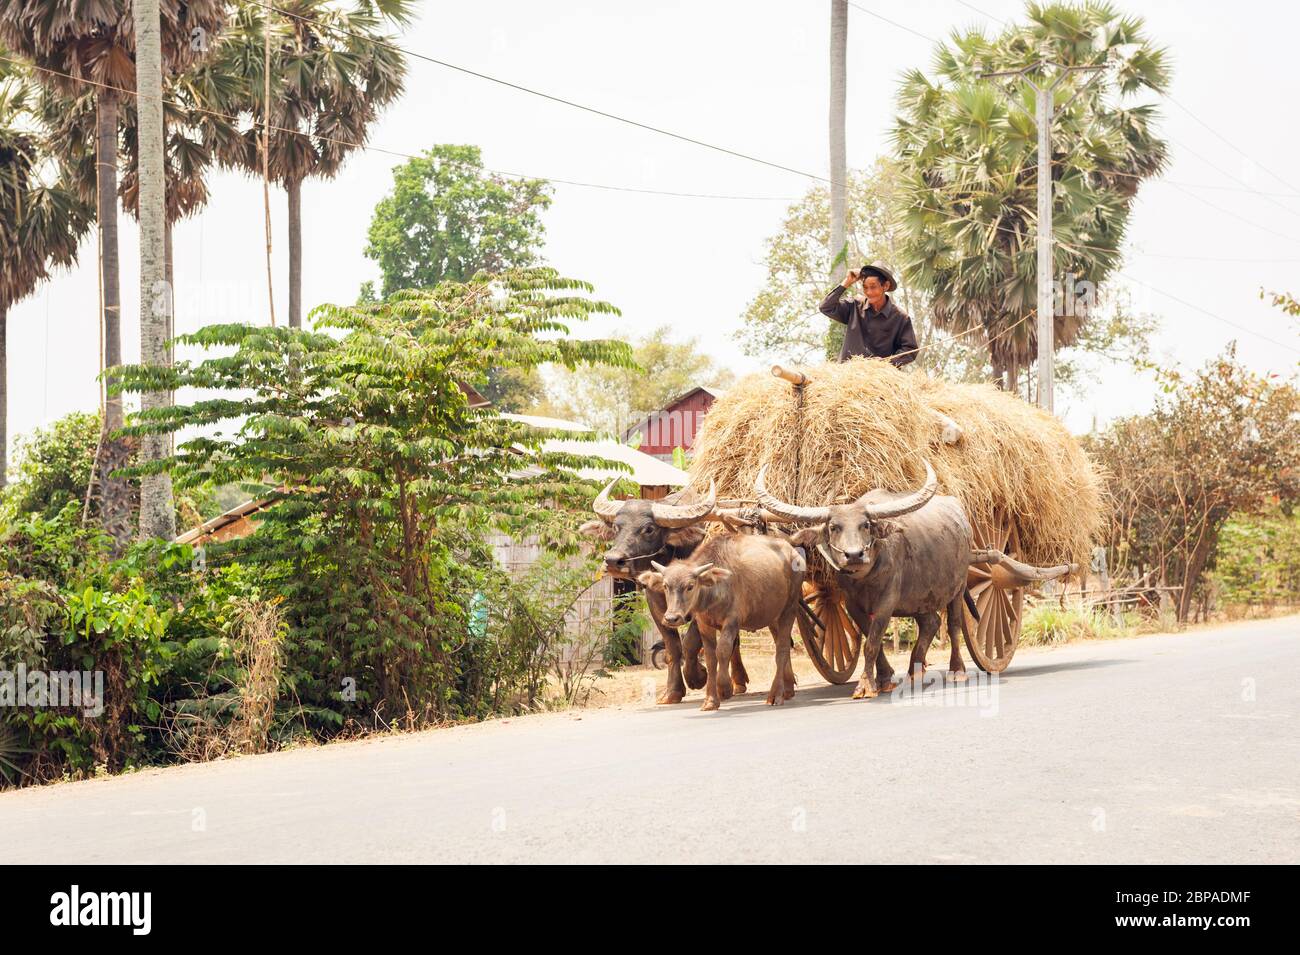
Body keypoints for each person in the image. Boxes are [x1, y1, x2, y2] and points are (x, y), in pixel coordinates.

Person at [819, 263, 918, 367]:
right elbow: (825, 307)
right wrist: (847, 282)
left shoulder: (900, 317)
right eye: (865, 287)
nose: (869, 292)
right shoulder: (854, 305)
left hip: (879, 379)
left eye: (873, 287)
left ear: (886, 286)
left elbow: (910, 350)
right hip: (847, 374)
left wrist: (887, 363)